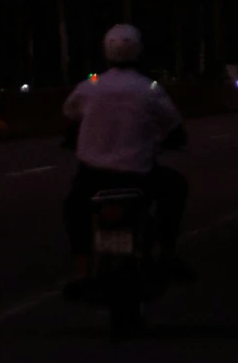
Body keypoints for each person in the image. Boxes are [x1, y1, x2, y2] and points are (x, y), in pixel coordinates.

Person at [62, 24, 189, 295]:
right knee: (176, 186)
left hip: (92, 177)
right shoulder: (149, 88)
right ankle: (167, 253)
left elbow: (69, 117)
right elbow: (174, 126)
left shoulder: (89, 86)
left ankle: (82, 268)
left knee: (74, 208)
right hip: (138, 176)